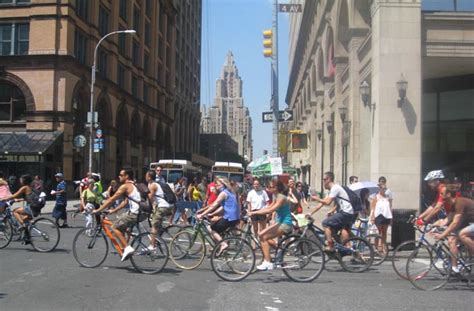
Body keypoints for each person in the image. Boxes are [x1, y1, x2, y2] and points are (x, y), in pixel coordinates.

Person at [93, 168, 142, 262]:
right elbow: (125, 203)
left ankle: (127, 248)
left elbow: (112, 199)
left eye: (121, 175)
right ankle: (124, 248)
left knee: (114, 227)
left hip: (134, 213)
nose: (119, 176)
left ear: (126, 176)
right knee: (121, 225)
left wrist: (98, 210)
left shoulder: (125, 186)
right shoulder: (133, 185)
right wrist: (113, 210)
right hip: (139, 212)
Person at [248, 179, 293, 271]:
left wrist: (254, 213)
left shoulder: (281, 197)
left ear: (277, 188)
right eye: (268, 187)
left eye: (271, 187)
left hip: (286, 223)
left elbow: (271, 210)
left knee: (263, 236)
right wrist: (255, 211)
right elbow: (269, 207)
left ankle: (268, 262)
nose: (269, 189)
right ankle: (279, 250)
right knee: (261, 235)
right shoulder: (275, 196)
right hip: (280, 222)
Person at [433, 183, 474, 273]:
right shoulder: (453, 205)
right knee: (451, 239)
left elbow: (454, 223)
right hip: (469, 223)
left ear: (448, 194)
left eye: (442, 193)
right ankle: (454, 267)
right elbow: (447, 220)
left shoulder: (459, 202)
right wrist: (433, 226)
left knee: (462, 234)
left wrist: (442, 235)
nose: (440, 195)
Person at [309, 171, 355, 252]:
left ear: (329, 179)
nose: (323, 182)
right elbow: (322, 203)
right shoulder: (332, 190)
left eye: (324, 179)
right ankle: (341, 247)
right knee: (332, 229)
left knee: (325, 223)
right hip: (346, 212)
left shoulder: (335, 188)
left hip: (346, 212)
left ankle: (331, 246)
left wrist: (316, 198)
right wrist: (311, 213)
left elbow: (327, 202)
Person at [197, 177, 240, 254]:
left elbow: (214, 205)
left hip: (229, 218)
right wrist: (212, 214)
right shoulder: (230, 192)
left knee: (212, 229)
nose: (216, 185)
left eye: (218, 184)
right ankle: (219, 247)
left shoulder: (223, 193)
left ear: (223, 185)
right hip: (235, 218)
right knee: (218, 226)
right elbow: (223, 207)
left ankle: (223, 244)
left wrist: (202, 214)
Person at [1, 175, 35, 242]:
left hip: (30, 207)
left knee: (15, 211)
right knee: (25, 219)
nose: (20, 181)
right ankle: (27, 236)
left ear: (24, 181)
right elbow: (29, 197)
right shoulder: (30, 187)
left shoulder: (24, 187)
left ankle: (23, 225)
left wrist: (5, 198)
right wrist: (20, 199)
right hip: (34, 207)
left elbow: (15, 195)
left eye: (21, 179)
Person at [146, 170, 173, 250]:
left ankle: (152, 246)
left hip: (163, 207)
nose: (145, 176)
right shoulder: (155, 184)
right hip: (167, 206)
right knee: (158, 224)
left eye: (146, 175)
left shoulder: (153, 185)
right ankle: (157, 238)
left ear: (149, 177)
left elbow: (150, 198)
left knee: (154, 225)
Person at [370, 184, 393, 255]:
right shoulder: (376, 197)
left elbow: (389, 207)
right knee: (378, 232)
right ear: (380, 189)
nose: (384, 190)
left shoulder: (387, 198)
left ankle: (383, 247)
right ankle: (376, 247)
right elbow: (373, 208)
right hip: (378, 216)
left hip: (386, 216)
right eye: (383, 189)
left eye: (385, 189)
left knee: (384, 232)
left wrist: (391, 217)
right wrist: (372, 217)